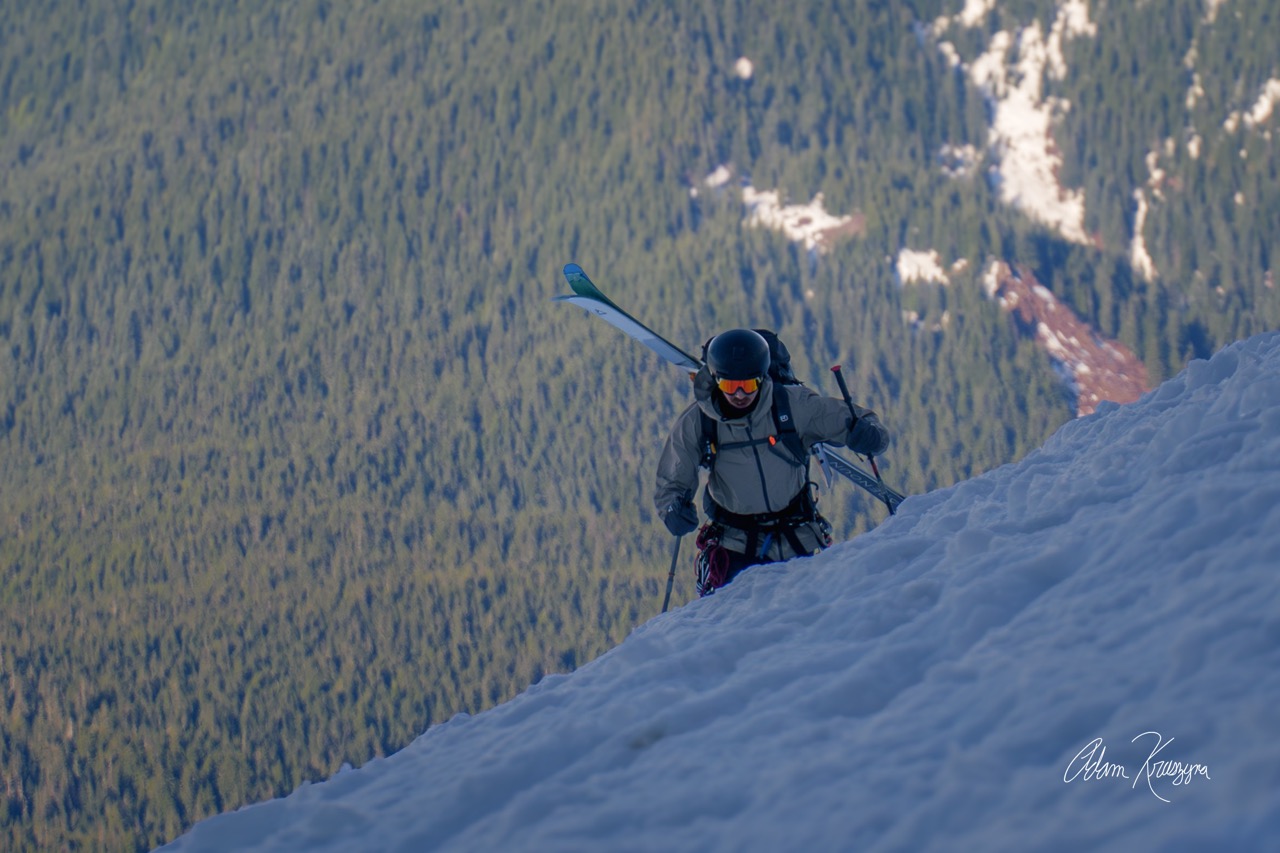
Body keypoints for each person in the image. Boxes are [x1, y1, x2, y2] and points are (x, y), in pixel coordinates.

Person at [654, 329, 889, 595]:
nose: (740, 393)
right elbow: (672, 480)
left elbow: (859, 420)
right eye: (730, 385)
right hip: (735, 549)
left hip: (796, 540)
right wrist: (673, 510)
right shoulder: (699, 421)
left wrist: (869, 435)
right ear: (716, 379)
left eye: (749, 384)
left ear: (762, 377)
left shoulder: (792, 405)